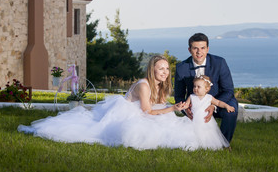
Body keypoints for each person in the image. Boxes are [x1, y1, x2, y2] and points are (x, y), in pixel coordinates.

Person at [18, 55, 226, 151]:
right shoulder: (144, 85)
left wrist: (177, 108)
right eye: (161, 69)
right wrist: (172, 108)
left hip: (148, 112)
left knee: (174, 126)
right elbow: (146, 111)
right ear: (152, 70)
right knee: (131, 132)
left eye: (167, 69)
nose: (165, 72)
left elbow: (160, 107)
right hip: (129, 112)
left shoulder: (162, 85)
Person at [174, 33, 238, 143]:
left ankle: (224, 144)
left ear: (207, 49)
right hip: (196, 104)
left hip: (219, 100)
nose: (199, 52)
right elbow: (179, 95)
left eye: (203, 48)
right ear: (189, 50)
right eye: (195, 48)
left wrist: (213, 105)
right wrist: (186, 109)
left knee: (231, 112)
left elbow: (228, 90)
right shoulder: (181, 67)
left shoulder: (219, 62)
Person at [182, 75, 233, 149]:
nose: (195, 88)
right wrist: (183, 107)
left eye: (198, 87)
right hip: (193, 119)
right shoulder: (192, 97)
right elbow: (186, 105)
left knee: (208, 133)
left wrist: (227, 106)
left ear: (207, 89)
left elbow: (218, 103)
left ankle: (207, 145)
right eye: (194, 86)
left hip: (206, 121)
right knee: (192, 133)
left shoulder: (209, 97)